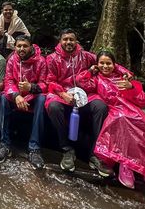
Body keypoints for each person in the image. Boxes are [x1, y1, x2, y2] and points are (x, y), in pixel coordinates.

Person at [76, 51, 145, 199]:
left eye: (108, 63)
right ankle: (126, 165)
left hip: (132, 110)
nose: (105, 66)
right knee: (121, 121)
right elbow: (81, 81)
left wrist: (131, 87)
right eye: (102, 63)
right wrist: (90, 71)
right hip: (115, 111)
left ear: (114, 64)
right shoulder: (97, 79)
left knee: (144, 123)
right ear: (97, 65)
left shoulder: (123, 79)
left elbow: (143, 100)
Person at [45, 29, 112, 176]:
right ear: (60, 41)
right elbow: (49, 81)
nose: (68, 42)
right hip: (63, 94)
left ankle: (95, 154)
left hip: (85, 95)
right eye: (65, 39)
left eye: (71, 39)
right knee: (53, 106)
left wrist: (125, 74)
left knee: (100, 106)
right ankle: (67, 150)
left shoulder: (86, 56)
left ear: (76, 41)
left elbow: (107, 62)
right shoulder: (52, 59)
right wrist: (63, 94)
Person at [0, 35, 47, 169]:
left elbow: (45, 83)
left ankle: (34, 147)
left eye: (25, 46)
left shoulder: (40, 61)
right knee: (3, 97)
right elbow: (8, 80)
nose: (22, 49)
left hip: (33, 97)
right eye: (19, 46)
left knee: (42, 99)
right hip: (16, 96)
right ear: (15, 47)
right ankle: (5, 143)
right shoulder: (12, 60)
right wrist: (16, 95)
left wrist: (31, 88)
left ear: (31, 47)